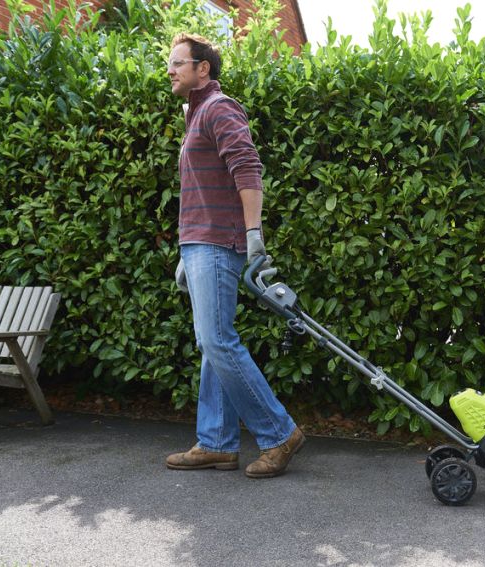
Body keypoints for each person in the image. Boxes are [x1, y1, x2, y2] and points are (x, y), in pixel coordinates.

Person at [164, 33, 304, 478]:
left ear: (203, 68)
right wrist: (188, 250)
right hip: (201, 241)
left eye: (177, 62)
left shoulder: (218, 108)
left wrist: (254, 233)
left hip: (219, 242)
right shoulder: (195, 113)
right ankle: (217, 442)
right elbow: (201, 192)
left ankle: (279, 432)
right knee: (213, 341)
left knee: (217, 340)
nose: (170, 69)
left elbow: (247, 168)